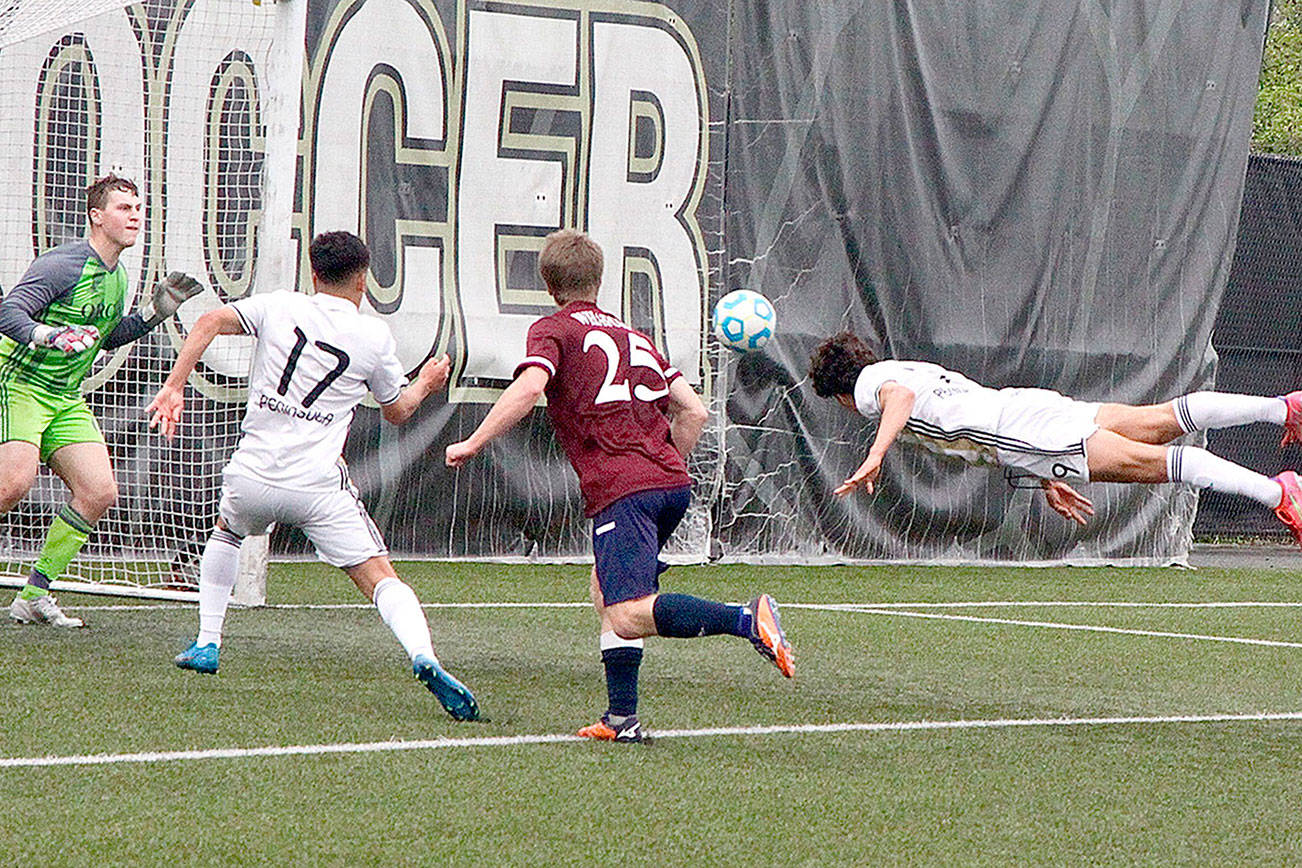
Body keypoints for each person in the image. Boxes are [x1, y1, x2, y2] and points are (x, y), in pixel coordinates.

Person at [446, 228, 793, 744]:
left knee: (628, 614)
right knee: (607, 592)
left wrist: (473, 441)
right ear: (600, 280)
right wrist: (661, 466)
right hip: (669, 484)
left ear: (548, 283)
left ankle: (746, 620)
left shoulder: (554, 330)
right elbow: (693, 410)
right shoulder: (635, 337)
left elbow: (531, 385)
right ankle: (620, 719)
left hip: (624, 489)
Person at [147, 230, 479, 721]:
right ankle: (423, 656)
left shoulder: (280, 306)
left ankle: (207, 641)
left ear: (314, 273)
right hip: (317, 488)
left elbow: (209, 320)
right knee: (379, 577)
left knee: (228, 531)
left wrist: (175, 386)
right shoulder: (371, 337)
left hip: (253, 476)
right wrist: (426, 382)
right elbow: (398, 411)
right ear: (363, 280)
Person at [807, 331, 1302, 541]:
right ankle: (1283, 408)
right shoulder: (899, 365)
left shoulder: (869, 384)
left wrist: (875, 454)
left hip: (1023, 430)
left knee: (1159, 463)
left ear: (841, 392)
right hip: (1027, 413)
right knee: (1159, 419)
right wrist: (1045, 476)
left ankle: (1279, 493)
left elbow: (900, 400)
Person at [0, 174, 203, 627]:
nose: (135, 216)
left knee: (99, 491)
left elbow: (106, 338)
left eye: (137, 208)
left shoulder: (118, 274)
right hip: (20, 384)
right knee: (13, 485)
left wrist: (153, 314)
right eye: (123, 208)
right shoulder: (64, 264)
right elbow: (8, 312)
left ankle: (33, 596)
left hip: (64, 397)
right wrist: (48, 335)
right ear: (96, 216)